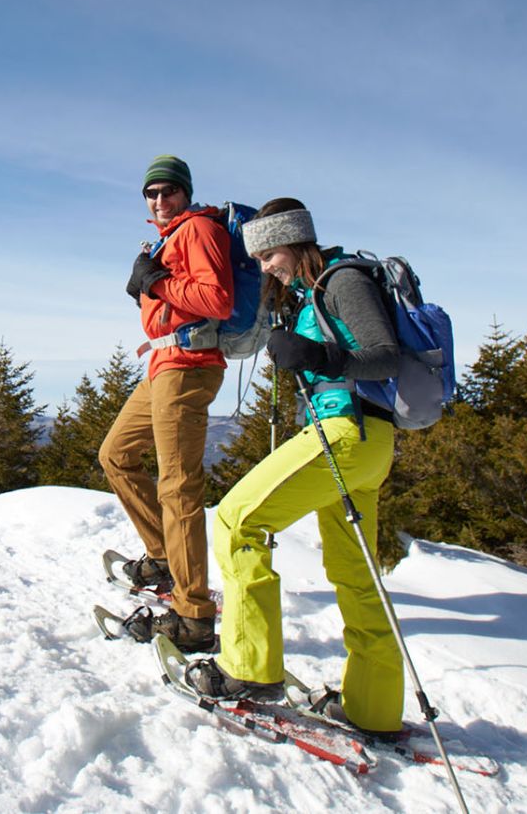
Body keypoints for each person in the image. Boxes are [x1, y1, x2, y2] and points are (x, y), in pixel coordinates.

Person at [184, 197, 406, 735]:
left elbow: (385, 355)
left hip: (345, 434)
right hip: (364, 442)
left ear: (296, 239)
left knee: (237, 522)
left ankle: (249, 669)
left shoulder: (341, 280)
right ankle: (372, 708)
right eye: (258, 258)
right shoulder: (313, 292)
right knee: (356, 575)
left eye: (269, 254)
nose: (265, 266)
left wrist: (317, 357)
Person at [98, 154, 234, 653]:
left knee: (178, 485)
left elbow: (216, 298)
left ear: (185, 192)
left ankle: (194, 614)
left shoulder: (197, 228)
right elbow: (176, 300)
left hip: (189, 366)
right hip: (162, 363)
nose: (159, 201)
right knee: (115, 455)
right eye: (151, 194)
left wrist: (154, 282)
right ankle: (163, 555)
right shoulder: (171, 235)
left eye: (168, 192)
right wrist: (149, 287)